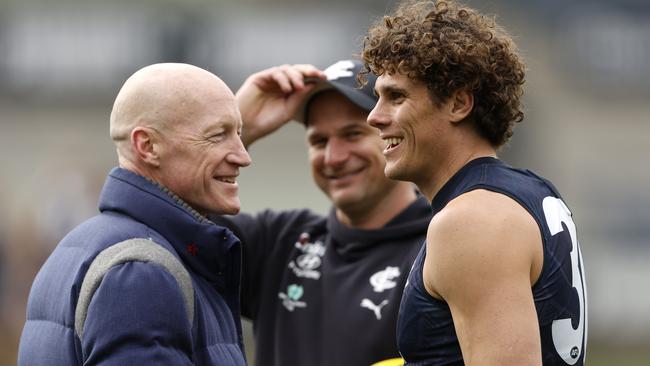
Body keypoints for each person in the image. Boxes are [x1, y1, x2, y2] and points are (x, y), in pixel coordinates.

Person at [361, 1, 587, 365]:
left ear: (459, 103)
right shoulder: (531, 191)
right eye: (377, 98)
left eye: (396, 96)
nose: (374, 117)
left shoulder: (472, 221)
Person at [18, 63, 251, 365]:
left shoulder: (80, 247)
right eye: (217, 135)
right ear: (148, 145)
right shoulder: (141, 274)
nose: (243, 156)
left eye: (239, 133)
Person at [211, 60, 433, 366]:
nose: (334, 157)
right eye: (319, 141)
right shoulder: (279, 242)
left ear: (394, 135)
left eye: (353, 134)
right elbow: (166, 221)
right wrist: (235, 128)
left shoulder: (439, 246)